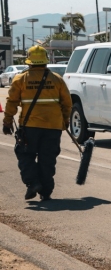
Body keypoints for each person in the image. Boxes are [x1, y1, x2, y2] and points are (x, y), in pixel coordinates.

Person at [2, 46, 72, 201]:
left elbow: (12, 102)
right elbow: (67, 103)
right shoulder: (57, 79)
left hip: (30, 127)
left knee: (25, 154)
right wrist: (65, 121)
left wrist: (7, 122)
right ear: (45, 61)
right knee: (47, 159)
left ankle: (33, 183)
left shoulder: (21, 79)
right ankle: (46, 192)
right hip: (53, 127)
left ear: (29, 61)